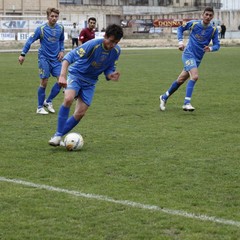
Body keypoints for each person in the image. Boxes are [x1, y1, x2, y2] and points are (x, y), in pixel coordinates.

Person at [49, 24, 123, 146]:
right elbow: (69, 57)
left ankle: (59, 136)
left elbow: (110, 67)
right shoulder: (93, 45)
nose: (112, 45)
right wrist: (62, 75)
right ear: (105, 36)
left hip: (90, 82)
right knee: (68, 99)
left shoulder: (116, 51)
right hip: (76, 75)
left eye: (116, 42)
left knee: (80, 113)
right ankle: (57, 135)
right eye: (110, 41)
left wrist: (110, 75)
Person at [159, 7, 220, 112]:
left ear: (212, 17)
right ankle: (186, 103)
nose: (208, 17)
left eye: (210, 15)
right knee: (195, 76)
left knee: (181, 80)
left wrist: (210, 48)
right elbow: (180, 28)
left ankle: (164, 97)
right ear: (203, 15)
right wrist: (180, 42)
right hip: (188, 54)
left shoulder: (213, 30)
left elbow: (217, 45)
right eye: (206, 14)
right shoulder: (194, 24)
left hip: (198, 58)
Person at [19, 8, 64, 115]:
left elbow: (61, 40)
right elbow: (30, 40)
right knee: (44, 82)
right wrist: (22, 54)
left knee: (61, 81)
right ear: (48, 16)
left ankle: (48, 101)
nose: (54, 18)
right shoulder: (41, 29)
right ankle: (39, 107)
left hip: (56, 59)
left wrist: (62, 50)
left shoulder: (61, 28)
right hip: (44, 58)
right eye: (52, 16)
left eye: (56, 16)